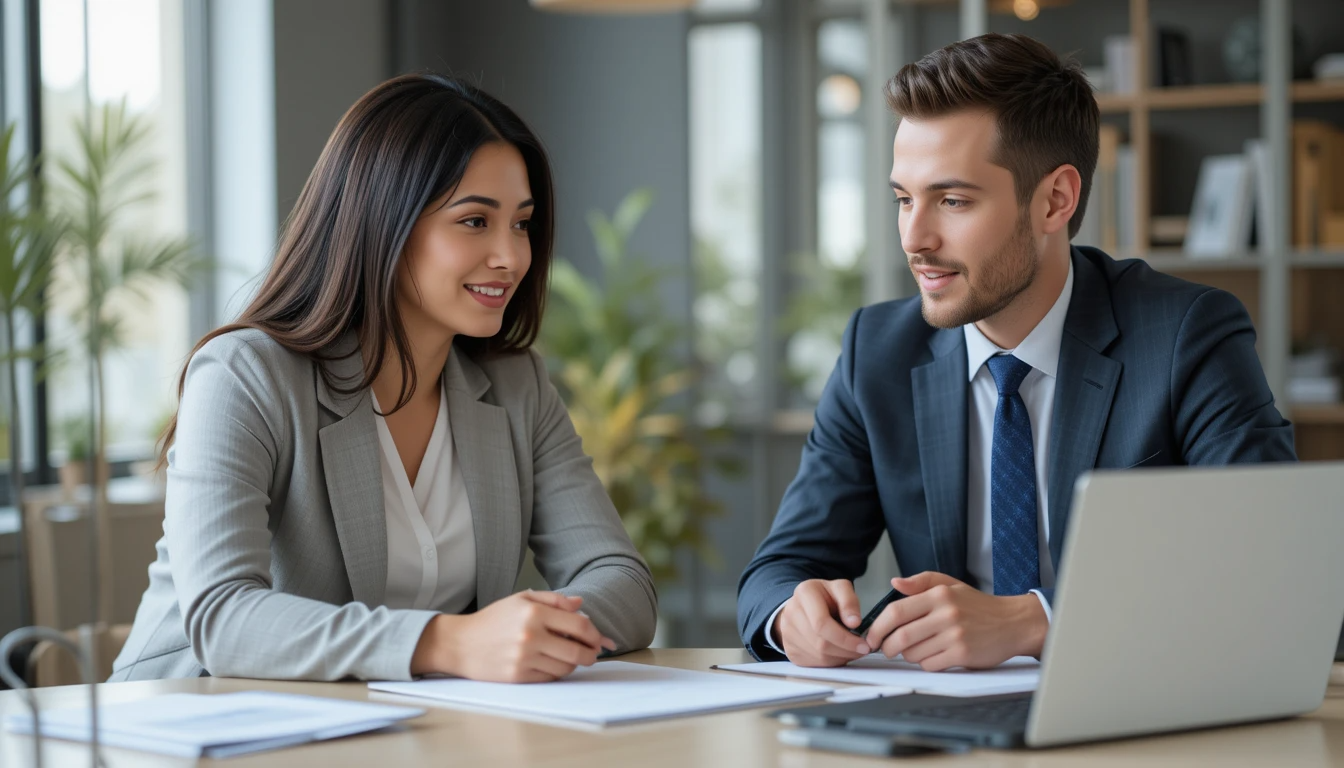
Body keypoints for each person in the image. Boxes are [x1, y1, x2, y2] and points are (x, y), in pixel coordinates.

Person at [737, 33, 1295, 671]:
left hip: (1133, 707)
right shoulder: (878, 353)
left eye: (953, 200)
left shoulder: (1185, 334)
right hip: (942, 729)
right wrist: (793, 616)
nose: (914, 238)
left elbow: (1270, 571)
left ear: (1055, 200)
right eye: (902, 199)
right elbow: (777, 571)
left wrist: (1037, 619)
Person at [111, 74, 657, 684]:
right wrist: (450, 643)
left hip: (394, 732)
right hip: (189, 723)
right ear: (383, 223)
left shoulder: (516, 386)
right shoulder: (246, 376)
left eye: (522, 224)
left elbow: (623, 583)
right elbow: (223, 618)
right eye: (474, 221)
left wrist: (537, 631)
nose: (512, 256)